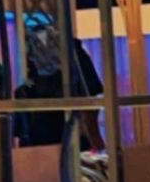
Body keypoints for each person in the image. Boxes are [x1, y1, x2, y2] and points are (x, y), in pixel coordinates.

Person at [15, 19, 105, 153]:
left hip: (59, 138)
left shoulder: (73, 55)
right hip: (51, 139)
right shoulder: (28, 84)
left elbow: (90, 104)